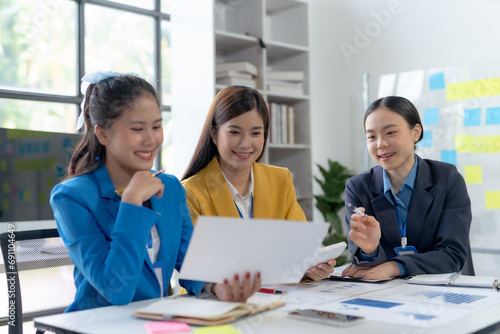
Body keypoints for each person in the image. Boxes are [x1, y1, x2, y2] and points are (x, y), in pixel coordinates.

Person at [50, 72, 260, 312]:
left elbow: (192, 262)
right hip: (97, 325)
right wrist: (131, 203)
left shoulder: (169, 188)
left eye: (157, 126)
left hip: (152, 321)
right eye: (137, 129)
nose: (151, 140)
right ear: (103, 134)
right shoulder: (72, 197)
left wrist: (216, 286)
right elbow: (115, 290)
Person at [181, 85, 335, 281]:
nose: (245, 144)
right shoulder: (190, 192)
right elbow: (194, 268)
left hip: (274, 298)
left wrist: (309, 268)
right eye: (235, 132)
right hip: (213, 302)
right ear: (214, 134)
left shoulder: (281, 179)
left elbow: (298, 251)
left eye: (255, 133)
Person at [342, 96, 472, 280]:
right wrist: (370, 249)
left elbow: (452, 256)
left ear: (415, 133)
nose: (380, 144)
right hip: (385, 294)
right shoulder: (358, 187)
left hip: (440, 292)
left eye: (390, 133)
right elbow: (364, 264)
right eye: (371, 136)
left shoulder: (447, 179)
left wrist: (396, 266)